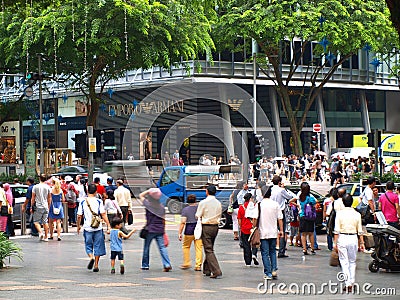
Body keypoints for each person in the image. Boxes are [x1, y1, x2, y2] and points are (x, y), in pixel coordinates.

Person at [334, 193, 364, 293]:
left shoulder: (339, 214)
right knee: (352, 261)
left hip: (342, 237)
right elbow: (360, 230)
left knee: (344, 262)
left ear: (343, 202)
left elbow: (336, 230)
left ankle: (347, 283)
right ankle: (352, 281)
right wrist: (362, 243)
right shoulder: (357, 214)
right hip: (353, 238)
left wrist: (335, 243)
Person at [77, 184, 111, 272]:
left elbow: (79, 215)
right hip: (98, 227)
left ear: (87, 191)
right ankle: (96, 264)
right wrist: (108, 225)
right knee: (98, 246)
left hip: (87, 227)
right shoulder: (99, 201)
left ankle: (91, 257)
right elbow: (103, 214)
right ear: (96, 192)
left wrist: (78, 226)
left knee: (88, 245)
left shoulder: (82, 201)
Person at [139, 188, 172, 272]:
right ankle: (167, 264)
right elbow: (163, 220)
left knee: (146, 247)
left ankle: (145, 265)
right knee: (162, 247)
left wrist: (149, 190)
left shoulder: (148, 204)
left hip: (149, 229)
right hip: (160, 229)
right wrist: (164, 230)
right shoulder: (161, 207)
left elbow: (141, 195)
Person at [195, 185, 222, 279]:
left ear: (207, 192)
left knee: (208, 249)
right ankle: (207, 269)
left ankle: (216, 270)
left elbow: (198, 215)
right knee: (210, 247)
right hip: (215, 226)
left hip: (206, 226)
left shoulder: (203, 202)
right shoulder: (218, 203)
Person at [258, 185, 284, 280]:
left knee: (265, 253)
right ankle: (274, 270)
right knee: (272, 252)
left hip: (263, 232)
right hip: (273, 232)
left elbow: (254, 218)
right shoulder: (275, 204)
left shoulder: (260, 205)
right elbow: (280, 218)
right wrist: (281, 230)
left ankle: (268, 273)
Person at [270, 175, 294, 258]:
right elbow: (290, 197)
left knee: (273, 230)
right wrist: (284, 188)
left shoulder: (271, 189)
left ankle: (272, 248)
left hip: (272, 211)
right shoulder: (281, 190)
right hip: (280, 211)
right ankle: (281, 251)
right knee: (282, 231)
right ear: (279, 182)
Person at [178, 194, 202, 271]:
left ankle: (187, 263)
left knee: (186, 246)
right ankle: (198, 265)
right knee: (199, 248)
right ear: (195, 200)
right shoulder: (199, 208)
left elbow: (183, 222)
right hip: (198, 229)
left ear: (187, 201)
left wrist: (180, 233)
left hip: (189, 229)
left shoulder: (185, 210)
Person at [294, 182, 317, 255]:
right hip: (310, 216)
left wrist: (298, 205)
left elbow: (291, 200)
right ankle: (312, 248)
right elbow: (315, 202)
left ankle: (304, 249)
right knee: (311, 233)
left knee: (303, 234)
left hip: (302, 216)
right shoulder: (310, 198)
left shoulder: (300, 197)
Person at [30, 174, 51, 242]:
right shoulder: (48, 187)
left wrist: (31, 206)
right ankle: (46, 236)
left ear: (40, 179)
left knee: (36, 222)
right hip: (45, 206)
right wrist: (49, 206)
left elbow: (33, 198)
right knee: (45, 221)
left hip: (38, 206)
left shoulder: (36, 187)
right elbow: (49, 197)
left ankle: (40, 232)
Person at [238, 193, 255, 267]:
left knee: (246, 245)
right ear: (250, 198)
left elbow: (239, 219)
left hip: (244, 229)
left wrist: (241, 227)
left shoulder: (241, 207)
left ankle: (248, 261)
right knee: (254, 243)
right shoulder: (254, 207)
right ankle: (254, 254)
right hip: (252, 228)